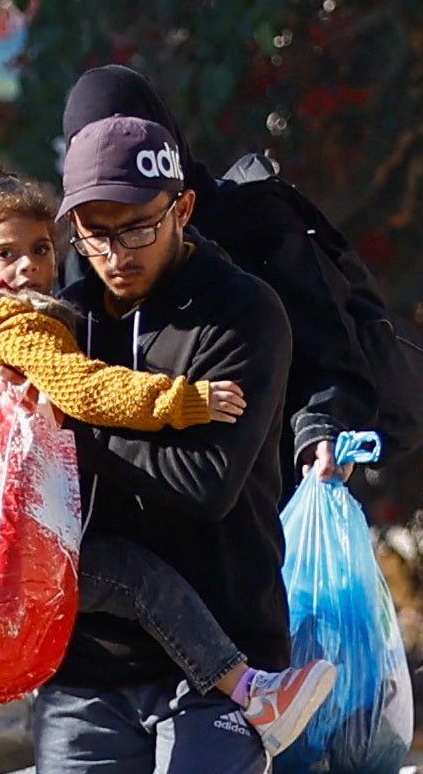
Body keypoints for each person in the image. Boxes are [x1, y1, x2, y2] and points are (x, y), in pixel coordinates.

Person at [32, 112, 294, 774]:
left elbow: (204, 487)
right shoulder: (63, 314)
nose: (112, 252)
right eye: (91, 231)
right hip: (85, 661)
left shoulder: (243, 312)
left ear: (181, 207)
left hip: (220, 651)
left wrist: (71, 418)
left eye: (135, 226)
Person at [0, 166, 334, 748]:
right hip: (17, 534)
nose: (26, 268)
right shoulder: (17, 327)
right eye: (5, 254)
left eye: (40, 249)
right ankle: (251, 691)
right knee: (142, 583)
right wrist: (182, 399)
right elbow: (84, 387)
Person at [62, 66, 370, 484]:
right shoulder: (85, 259)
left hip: (261, 479)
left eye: (139, 227)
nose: (117, 252)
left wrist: (321, 429)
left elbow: (327, 348)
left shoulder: (256, 223)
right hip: (125, 505)